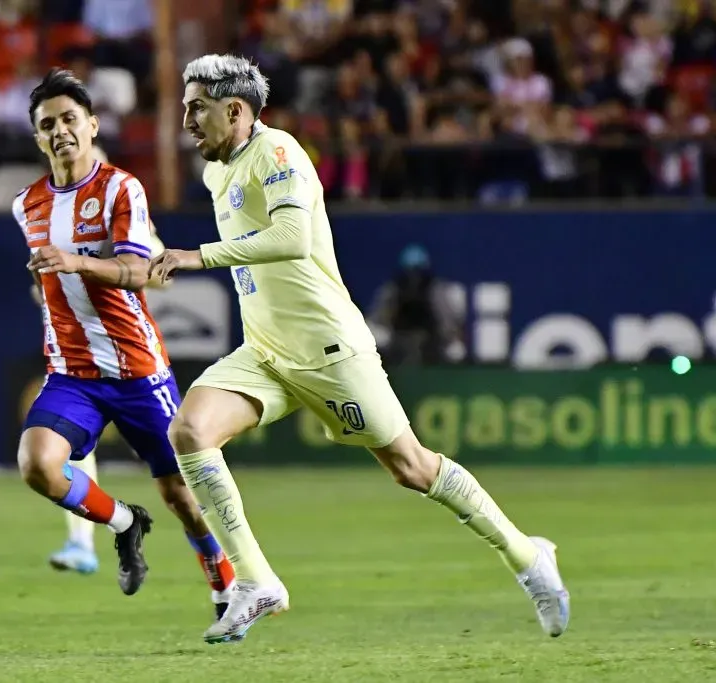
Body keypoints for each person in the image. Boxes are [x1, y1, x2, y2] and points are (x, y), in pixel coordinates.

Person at [149, 54, 571, 644]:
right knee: (190, 432)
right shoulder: (217, 170)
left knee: (412, 468)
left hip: (328, 351)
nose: (187, 120)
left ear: (236, 110)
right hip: (266, 354)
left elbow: (294, 238)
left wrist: (200, 256)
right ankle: (255, 579)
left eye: (197, 108)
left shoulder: (279, 154)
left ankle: (528, 558)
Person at [12, 68, 235, 614]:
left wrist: (73, 263)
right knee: (37, 464)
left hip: (136, 369)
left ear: (91, 125)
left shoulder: (120, 188)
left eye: (69, 119)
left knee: (181, 495)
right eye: (48, 124)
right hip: (72, 373)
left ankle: (226, 580)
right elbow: (45, 274)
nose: (60, 130)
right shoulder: (26, 205)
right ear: (38, 138)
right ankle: (124, 522)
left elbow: (139, 272)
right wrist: (50, 282)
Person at [33, 223, 169, 575]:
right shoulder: (52, 219)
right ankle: (83, 540)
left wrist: (96, 268)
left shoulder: (124, 218)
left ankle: (231, 572)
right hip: (79, 360)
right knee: (64, 451)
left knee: (179, 475)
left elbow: (160, 276)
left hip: (129, 362)